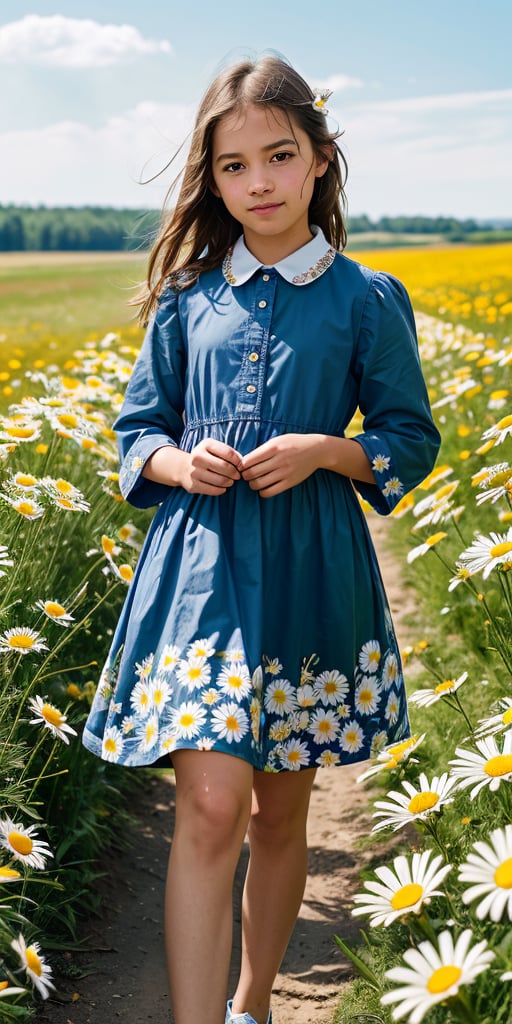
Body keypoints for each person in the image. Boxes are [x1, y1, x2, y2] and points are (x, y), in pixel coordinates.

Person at [83, 53, 440, 1024]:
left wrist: (329, 450)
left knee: (280, 811)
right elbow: (133, 435)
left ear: (319, 158)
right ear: (214, 178)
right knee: (206, 806)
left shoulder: (367, 300)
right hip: (198, 569)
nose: (258, 183)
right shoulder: (187, 299)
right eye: (234, 167)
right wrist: (175, 464)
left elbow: (408, 439)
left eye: (278, 156)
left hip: (311, 573)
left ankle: (251, 1002)